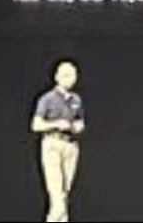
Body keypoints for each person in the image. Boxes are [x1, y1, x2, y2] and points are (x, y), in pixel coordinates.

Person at [30, 58, 86, 222]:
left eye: (73, 75)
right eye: (66, 75)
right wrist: (56, 124)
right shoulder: (47, 99)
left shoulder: (76, 99)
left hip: (70, 146)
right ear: (57, 77)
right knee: (57, 196)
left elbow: (80, 121)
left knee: (64, 194)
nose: (70, 79)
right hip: (53, 144)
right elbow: (36, 125)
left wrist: (78, 126)